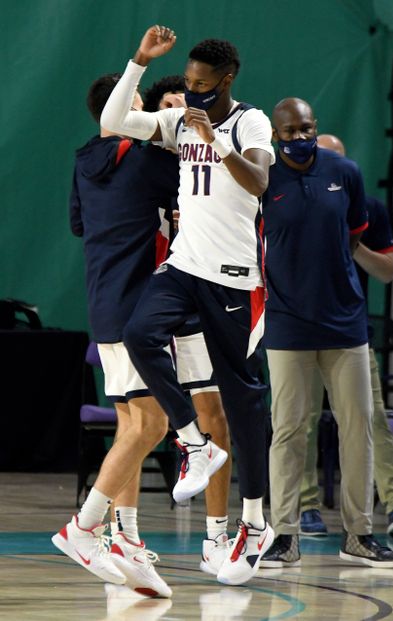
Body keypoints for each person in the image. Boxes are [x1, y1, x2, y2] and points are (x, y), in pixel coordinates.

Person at [101, 25, 275, 585]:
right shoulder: (177, 122)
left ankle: (254, 521)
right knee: (139, 334)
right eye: (189, 84)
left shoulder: (249, 120)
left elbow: (258, 183)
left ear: (225, 81)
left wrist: (216, 139)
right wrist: (139, 63)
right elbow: (112, 123)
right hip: (184, 267)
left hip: (234, 280)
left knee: (244, 407)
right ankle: (193, 443)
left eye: (203, 84)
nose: (194, 92)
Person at [52, 72, 230, 594]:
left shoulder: (84, 161)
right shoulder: (148, 159)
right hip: (139, 304)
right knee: (148, 425)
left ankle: (125, 538)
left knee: (133, 421)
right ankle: (84, 527)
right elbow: (205, 188)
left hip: (102, 300)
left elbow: (79, 225)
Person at [259, 98, 393, 569]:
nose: (298, 138)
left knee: (359, 425)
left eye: (305, 129)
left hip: (345, 324)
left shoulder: (346, 172)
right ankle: (285, 534)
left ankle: (359, 534)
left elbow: (355, 234)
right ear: (274, 134)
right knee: (288, 430)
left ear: (315, 127)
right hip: (286, 324)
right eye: (288, 131)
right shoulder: (263, 178)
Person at [143, 75, 233, 575]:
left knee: (214, 414)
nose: (181, 112)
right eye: (170, 106)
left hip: (201, 294)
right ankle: (122, 531)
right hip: (153, 296)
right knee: (139, 421)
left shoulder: (216, 160)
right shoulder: (143, 166)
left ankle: (215, 537)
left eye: (187, 104)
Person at [299, 134, 393, 538]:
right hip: (298, 328)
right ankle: (304, 507)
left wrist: (351, 240)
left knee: (370, 417)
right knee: (299, 423)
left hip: (348, 328)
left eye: (338, 162)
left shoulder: (369, 209)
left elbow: (387, 271)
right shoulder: (292, 200)